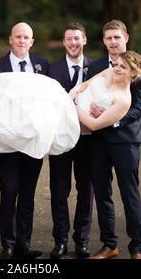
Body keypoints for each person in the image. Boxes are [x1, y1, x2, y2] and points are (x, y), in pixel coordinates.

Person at [83, 19, 141, 260]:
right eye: (109, 38)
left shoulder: (139, 67)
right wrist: (90, 111)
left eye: (117, 37)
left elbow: (138, 109)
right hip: (98, 141)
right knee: (102, 193)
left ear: (126, 38)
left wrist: (112, 119)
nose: (113, 42)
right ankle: (109, 245)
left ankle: (138, 248)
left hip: (125, 140)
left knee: (129, 192)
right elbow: (89, 94)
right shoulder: (96, 66)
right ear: (103, 40)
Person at [0, 22, 49, 259]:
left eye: (26, 37)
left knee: (27, 193)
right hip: (8, 142)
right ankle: (8, 244)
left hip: (33, 141)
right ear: (10, 40)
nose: (22, 41)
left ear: (31, 42)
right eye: (18, 37)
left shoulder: (42, 65)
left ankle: (24, 242)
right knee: (9, 191)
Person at [46, 22, 95, 259]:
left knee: (86, 190)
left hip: (88, 139)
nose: (73, 43)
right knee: (59, 190)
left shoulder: (96, 68)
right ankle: (60, 240)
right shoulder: (51, 69)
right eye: (68, 39)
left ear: (84, 40)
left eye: (77, 38)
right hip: (60, 138)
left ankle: (82, 240)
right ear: (63, 42)